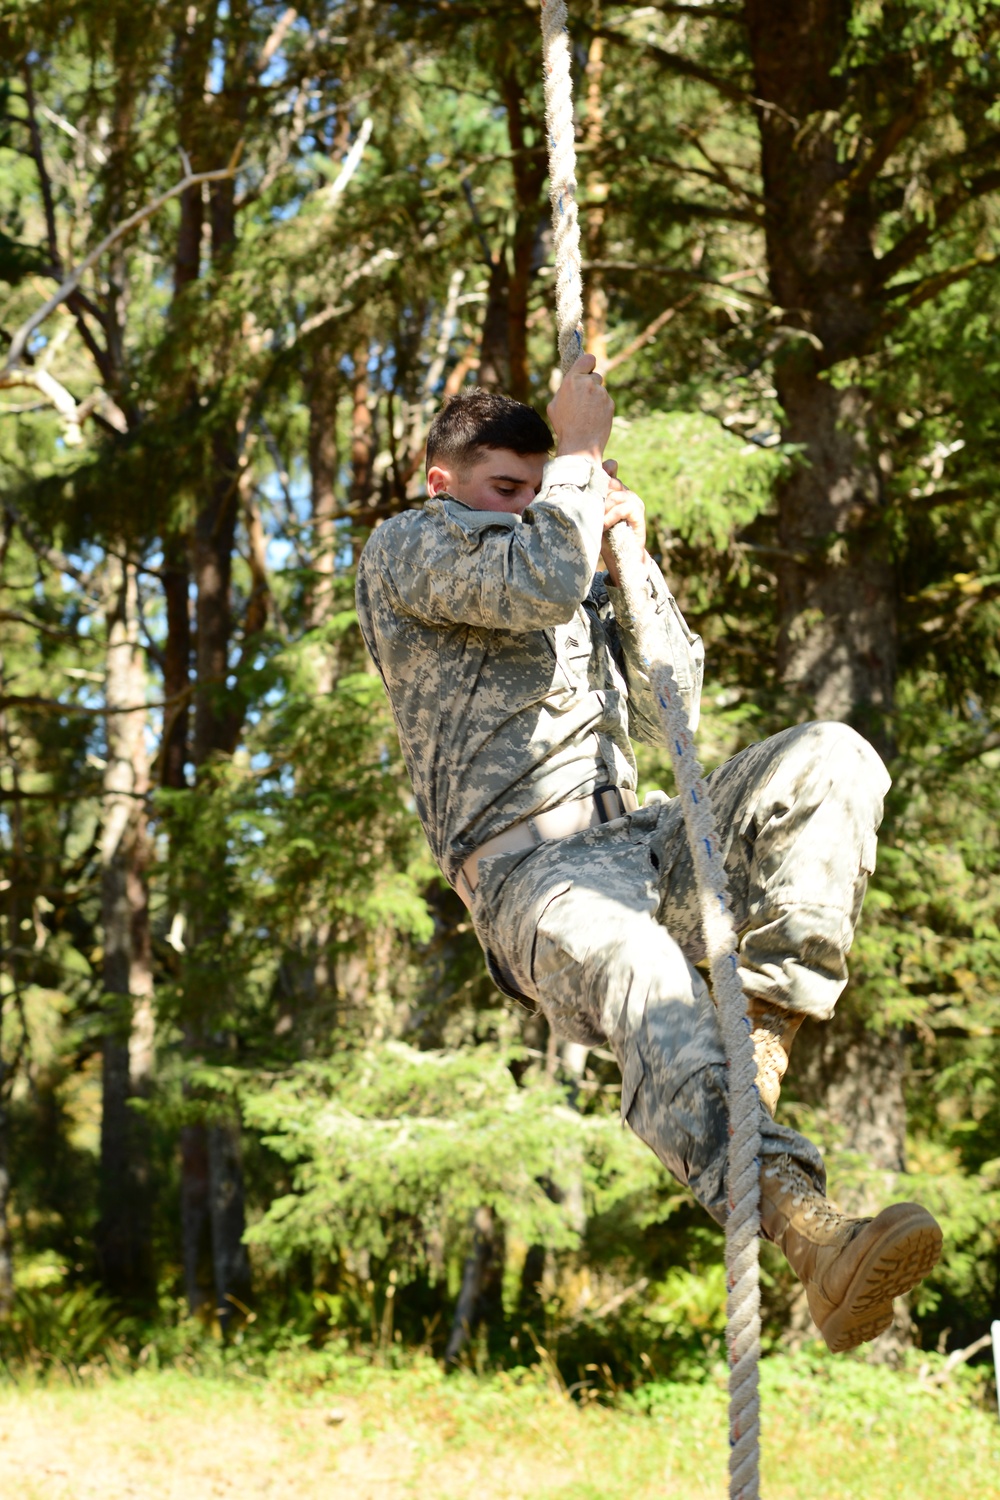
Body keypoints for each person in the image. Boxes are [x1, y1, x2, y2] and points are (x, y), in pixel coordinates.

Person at [355, 352, 942, 1354]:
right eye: (510, 489)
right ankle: (806, 1231)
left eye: (541, 489)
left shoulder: (564, 541)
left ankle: (756, 1039)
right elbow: (534, 579)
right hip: (529, 879)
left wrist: (630, 556)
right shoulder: (410, 549)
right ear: (441, 480)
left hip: (642, 838)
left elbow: (676, 693)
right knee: (639, 963)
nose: (535, 507)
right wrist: (578, 461)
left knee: (829, 761)